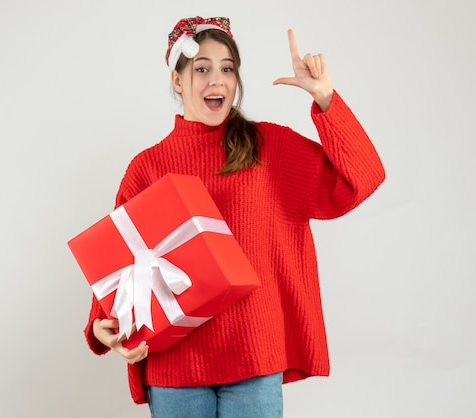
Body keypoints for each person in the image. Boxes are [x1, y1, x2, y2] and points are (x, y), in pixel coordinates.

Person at [84, 16, 385, 417]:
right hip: (175, 363)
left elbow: (361, 178)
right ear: (177, 80)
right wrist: (102, 324)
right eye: (202, 69)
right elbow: (120, 263)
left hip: (253, 355)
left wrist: (326, 99)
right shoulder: (148, 167)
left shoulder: (268, 147)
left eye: (227, 69)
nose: (217, 80)